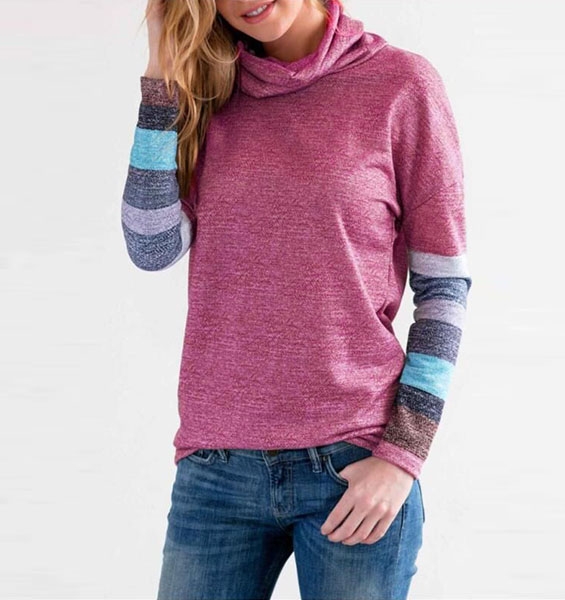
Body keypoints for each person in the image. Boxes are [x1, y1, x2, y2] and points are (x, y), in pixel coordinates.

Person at [121, 0, 472, 598]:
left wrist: (402, 454)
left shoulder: (400, 85)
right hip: (215, 468)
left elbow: (443, 284)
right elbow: (150, 247)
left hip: (352, 462)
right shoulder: (209, 94)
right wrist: (162, 79)